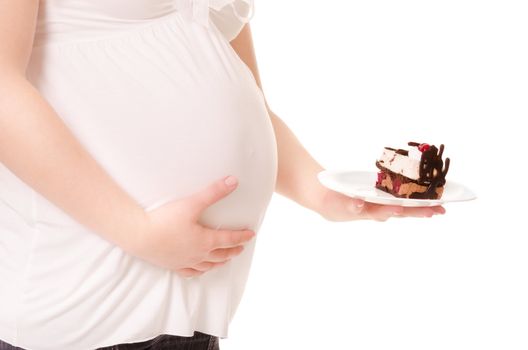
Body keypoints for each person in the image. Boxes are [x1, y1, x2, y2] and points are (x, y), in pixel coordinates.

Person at [0, 1, 445, 349]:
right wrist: (137, 231)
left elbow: (245, 98)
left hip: (190, 320)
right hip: (78, 312)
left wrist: (326, 193)